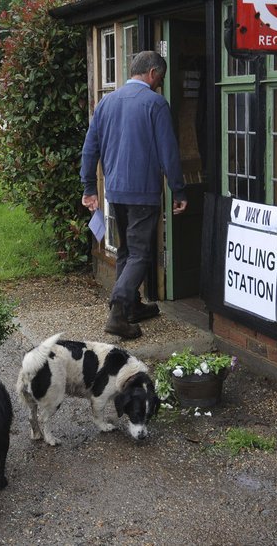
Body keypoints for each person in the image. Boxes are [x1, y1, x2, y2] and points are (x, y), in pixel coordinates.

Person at [80, 51, 187, 339]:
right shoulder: (155, 104)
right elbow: (169, 152)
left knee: (127, 249)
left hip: (115, 191)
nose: (160, 84)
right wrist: (178, 189)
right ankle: (118, 311)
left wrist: (89, 187)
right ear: (153, 73)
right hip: (143, 192)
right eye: (160, 78)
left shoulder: (106, 102)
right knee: (140, 252)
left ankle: (132, 307)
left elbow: (90, 149)